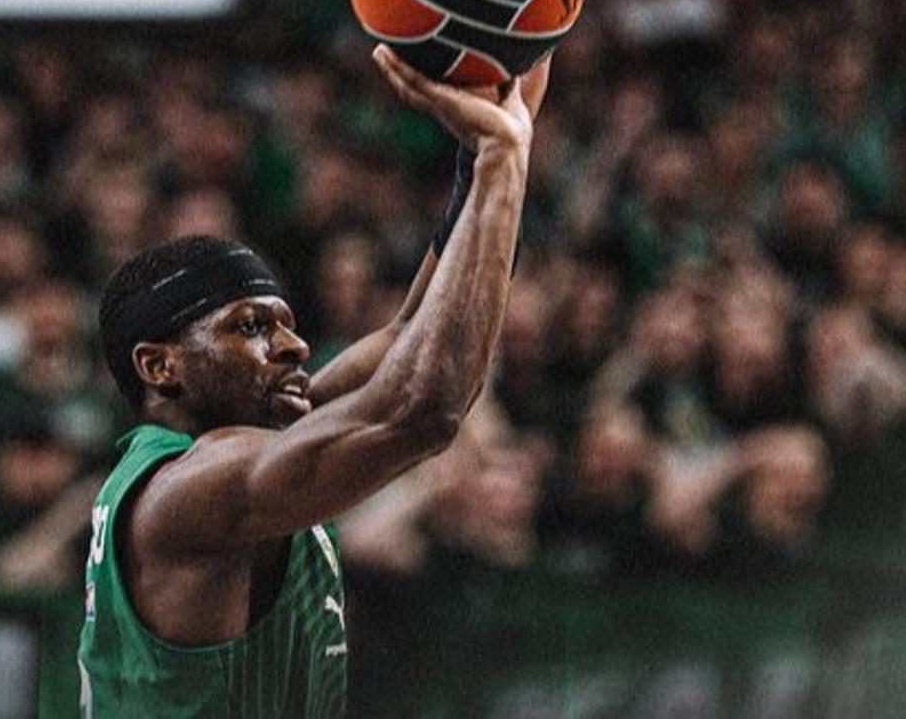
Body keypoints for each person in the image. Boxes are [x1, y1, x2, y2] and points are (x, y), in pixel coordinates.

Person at [77, 46, 551, 717]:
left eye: (287, 324)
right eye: (251, 326)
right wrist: (501, 162)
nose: (294, 346)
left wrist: (485, 162)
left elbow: (407, 333)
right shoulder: (190, 488)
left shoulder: (232, 454)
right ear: (160, 366)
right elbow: (424, 407)